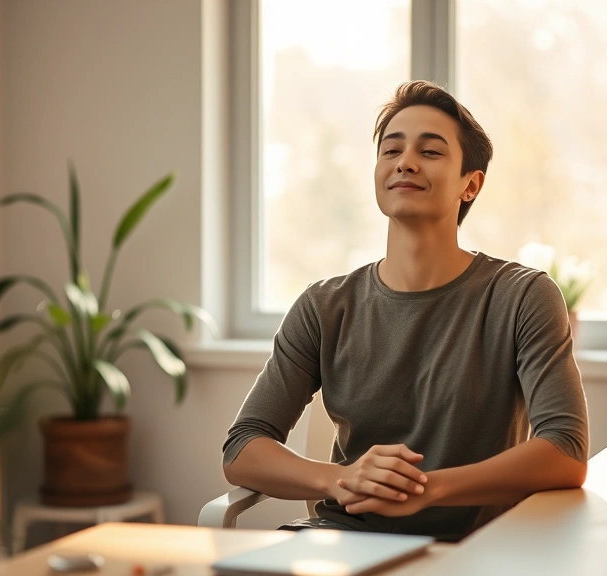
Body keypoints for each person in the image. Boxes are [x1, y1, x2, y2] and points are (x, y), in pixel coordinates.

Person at [222, 80, 588, 542]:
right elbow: (242, 448)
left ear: (470, 184)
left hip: (475, 552)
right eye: (391, 150)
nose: (405, 162)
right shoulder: (323, 306)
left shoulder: (521, 296)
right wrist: (340, 477)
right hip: (342, 542)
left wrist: (428, 489)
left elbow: (566, 451)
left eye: (431, 152)